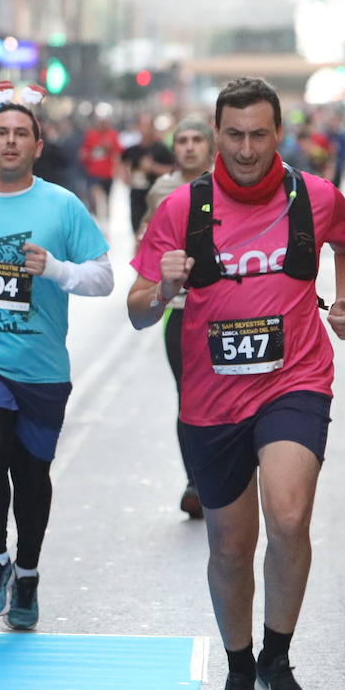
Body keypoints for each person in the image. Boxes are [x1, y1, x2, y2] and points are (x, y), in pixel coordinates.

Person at [129, 76, 345, 690]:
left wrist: (344, 301)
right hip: (211, 401)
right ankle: (239, 670)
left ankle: (278, 659)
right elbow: (136, 313)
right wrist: (161, 291)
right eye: (233, 134)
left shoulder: (314, 198)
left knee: (288, 516)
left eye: (259, 134)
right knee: (232, 547)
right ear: (216, 134)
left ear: (278, 134)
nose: (245, 148)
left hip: (294, 380)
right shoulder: (181, 209)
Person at [0, 102, 114, 629]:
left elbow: (103, 278)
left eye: (20, 134)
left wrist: (54, 269)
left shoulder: (63, 206)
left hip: (42, 366)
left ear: (36, 146)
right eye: (0, 133)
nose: (10, 141)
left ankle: (26, 573)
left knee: (31, 477)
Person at [133, 115, 216, 519]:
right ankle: (195, 481)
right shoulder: (162, 189)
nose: (188, 147)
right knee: (189, 397)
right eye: (181, 140)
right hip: (179, 309)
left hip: (224, 308)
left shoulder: (227, 187)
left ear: (211, 146)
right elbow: (146, 237)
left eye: (196, 140)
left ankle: (226, 473)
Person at [80, 115, 121, 219]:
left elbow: (119, 152)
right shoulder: (91, 135)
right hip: (93, 173)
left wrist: (110, 148)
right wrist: (86, 156)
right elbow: (84, 153)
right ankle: (97, 216)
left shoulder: (113, 135)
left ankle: (105, 220)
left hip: (107, 174)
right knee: (97, 196)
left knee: (106, 200)